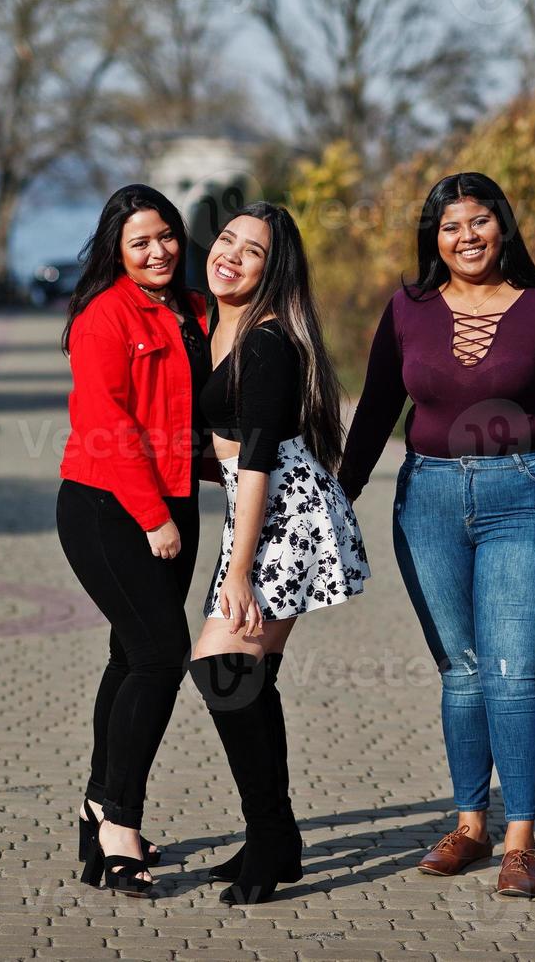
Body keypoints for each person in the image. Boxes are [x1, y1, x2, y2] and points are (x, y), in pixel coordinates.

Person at [338, 172, 535, 899]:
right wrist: (342, 493)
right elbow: (376, 412)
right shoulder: (407, 310)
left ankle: (520, 840)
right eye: (450, 226)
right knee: (460, 673)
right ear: (433, 237)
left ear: (502, 226)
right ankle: (468, 825)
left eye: (479, 221)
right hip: (426, 498)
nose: (466, 237)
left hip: (524, 498)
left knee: (512, 676)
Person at [189, 201, 370, 905]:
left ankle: (271, 836)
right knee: (244, 674)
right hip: (257, 505)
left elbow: (258, 456)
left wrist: (236, 570)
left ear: (275, 271)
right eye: (225, 240)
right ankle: (277, 837)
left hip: (279, 509)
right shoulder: (215, 325)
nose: (230, 254)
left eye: (252, 251)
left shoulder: (264, 342)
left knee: (221, 668)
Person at [57, 184, 211, 898]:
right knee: (159, 654)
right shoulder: (104, 315)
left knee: (130, 654)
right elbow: (108, 422)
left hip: (173, 498)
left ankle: (96, 808)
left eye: (167, 236)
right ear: (116, 250)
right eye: (140, 242)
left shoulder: (190, 310)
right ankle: (119, 823)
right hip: (108, 504)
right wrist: (153, 518)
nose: (158, 251)